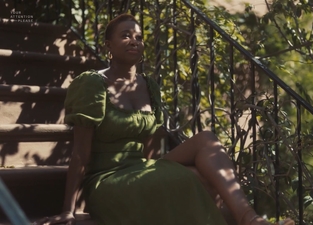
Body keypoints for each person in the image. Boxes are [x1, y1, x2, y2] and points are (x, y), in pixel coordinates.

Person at [34, 14, 295, 225]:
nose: (134, 41)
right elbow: (81, 152)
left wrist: (158, 171)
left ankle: (251, 220)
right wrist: (68, 209)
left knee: (206, 142)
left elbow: (150, 150)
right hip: (107, 178)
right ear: (108, 46)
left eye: (138, 37)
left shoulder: (149, 85)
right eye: (125, 36)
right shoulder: (92, 83)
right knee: (193, 180)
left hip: (141, 167)